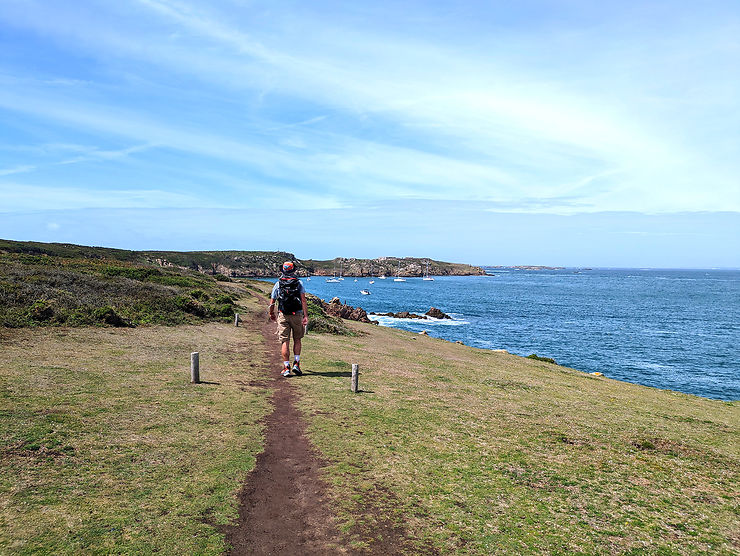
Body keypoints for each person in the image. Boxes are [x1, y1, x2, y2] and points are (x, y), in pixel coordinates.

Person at [268, 261, 308, 377]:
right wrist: (305, 316)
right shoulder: (299, 283)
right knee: (297, 339)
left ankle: (286, 367)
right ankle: (296, 364)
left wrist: (271, 313)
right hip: (297, 314)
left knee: (285, 341)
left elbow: (272, 302)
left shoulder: (278, 284)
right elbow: (303, 300)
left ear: (283, 270)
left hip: (283, 314)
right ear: (293, 270)